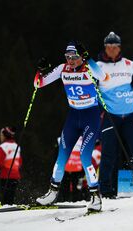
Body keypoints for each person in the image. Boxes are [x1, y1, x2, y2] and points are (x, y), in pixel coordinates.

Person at [34, 41, 108, 212]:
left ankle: (96, 196)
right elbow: (38, 84)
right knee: (62, 156)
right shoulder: (62, 69)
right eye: (68, 57)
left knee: (84, 157)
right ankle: (52, 193)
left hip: (91, 116)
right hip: (73, 117)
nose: (71, 60)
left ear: (81, 57)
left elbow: (102, 76)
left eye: (74, 57)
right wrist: (41, 70)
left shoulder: (88, 68)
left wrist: (88, 59)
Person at [96, 31, 133, 198]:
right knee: (109, 153)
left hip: (130, 116)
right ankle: (106, 190)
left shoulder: (129, 65)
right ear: (105, 47)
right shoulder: (97, 66)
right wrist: (101, 109)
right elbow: (93, 91)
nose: (112, 49)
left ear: (119, 48)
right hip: (111, 116)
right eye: (109, 46)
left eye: (115, 46)